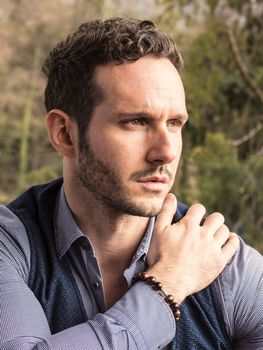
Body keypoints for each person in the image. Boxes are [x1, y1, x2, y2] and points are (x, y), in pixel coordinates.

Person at [0, 17, 262, 350]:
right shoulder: (9, 245)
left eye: (175, 123)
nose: (165, 152)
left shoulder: (230, 268)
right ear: (64, 133)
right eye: (136, 122)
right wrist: (166, 286)